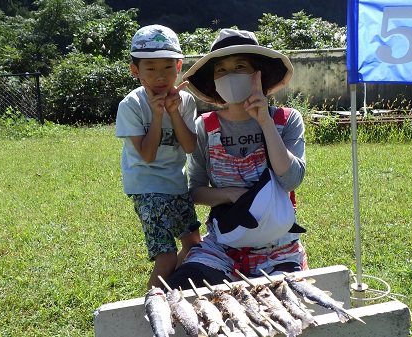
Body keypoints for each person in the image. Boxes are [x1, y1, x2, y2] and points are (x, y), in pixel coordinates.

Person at [165, 28, 309, 290]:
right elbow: (194, 190)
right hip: (222, 247)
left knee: (281, 311)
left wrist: (264, 121)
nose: (230, 76)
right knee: (180, 291)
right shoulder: (205, 127)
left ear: (258, 75)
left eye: (240, 66)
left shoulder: (285, 120)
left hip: (279, 250)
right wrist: (231, 194)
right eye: (221, 70)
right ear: (214, 80)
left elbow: (291, 179)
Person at [115, 25, 202, 289]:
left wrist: (174, 112)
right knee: (165, 257)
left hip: (177, 183)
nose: (160, 76)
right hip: (147, 186)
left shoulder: (186, 101)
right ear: (135, 71)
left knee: (194, 245)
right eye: (150, 68)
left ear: (179, 66)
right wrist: (157, 115)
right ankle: (150, 311)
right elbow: (148, 155)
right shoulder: (131, 105)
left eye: (167, 67)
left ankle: (173, 292)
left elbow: (189, 147)